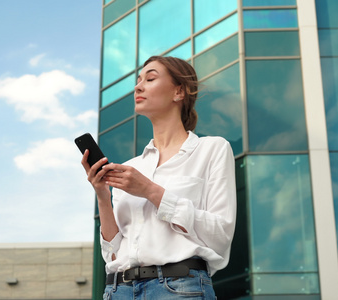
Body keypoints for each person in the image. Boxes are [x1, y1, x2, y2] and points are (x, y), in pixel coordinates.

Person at [81, 56, 236, 299]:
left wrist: (150, 191)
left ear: (179, 92)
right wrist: (102, 195)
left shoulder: (213, 149)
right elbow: (113, 253)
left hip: (179, 289)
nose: (138, 86)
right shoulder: (132, 168)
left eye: (150, 79)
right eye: (138, 80)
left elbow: (221, 235)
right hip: (118, 290)